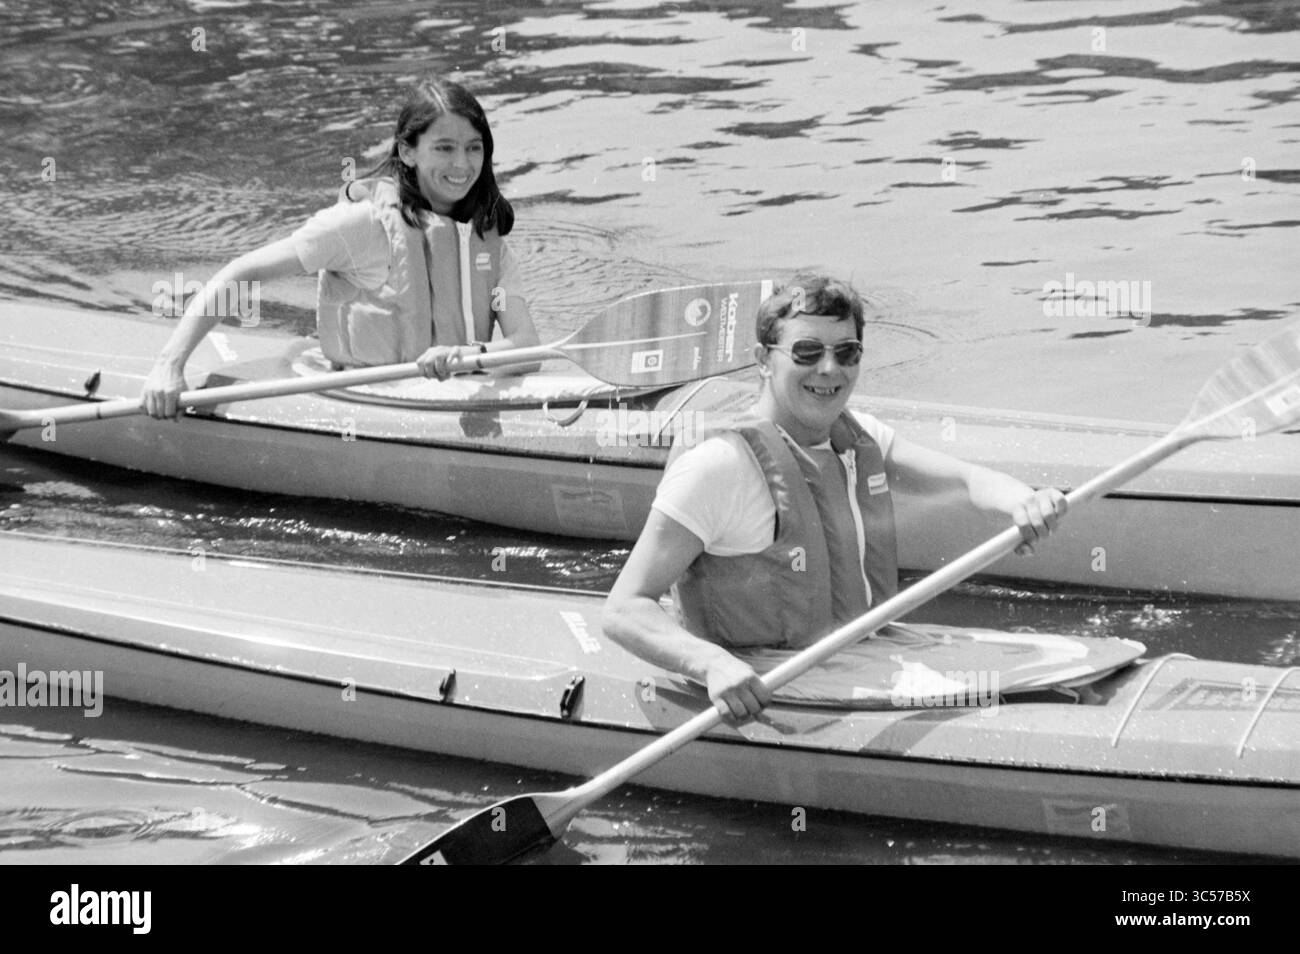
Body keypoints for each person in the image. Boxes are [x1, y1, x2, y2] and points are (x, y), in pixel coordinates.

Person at [601, 274, 1068, 722]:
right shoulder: (719, 467)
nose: (829, 369)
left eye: (847, 352)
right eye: (806, 352)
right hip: (766, 675)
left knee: (1061, 685)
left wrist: (1020, 500)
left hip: (855, 655)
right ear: (763, 359)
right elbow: (624, 608)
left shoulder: (858, 439)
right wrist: (709, 664)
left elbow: (964, 481)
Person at [142, 76, 540, 418]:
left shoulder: (487, 239)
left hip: (454, 395)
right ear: (407, 151)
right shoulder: (361, 226)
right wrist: (170, 364)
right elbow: (242, 272)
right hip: (368, 401)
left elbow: (526, 346)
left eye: (473, 147)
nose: (462, 164)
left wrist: (472, 355)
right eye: (444, 147)